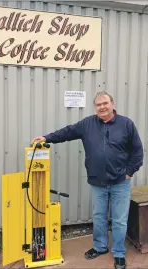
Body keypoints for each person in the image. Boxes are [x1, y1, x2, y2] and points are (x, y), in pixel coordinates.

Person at [31, 91, 143, 269]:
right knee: (99, 217)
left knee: (120, 220)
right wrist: (46, 138)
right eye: (98, 105)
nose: (102, 107)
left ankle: (119, 253)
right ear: (95, 108)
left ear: (112, 104)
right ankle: (99, 247)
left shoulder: (126, 124)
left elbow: (138, 151)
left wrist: (129, 172)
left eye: (105, 103)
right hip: (97, 181)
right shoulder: (88, 124)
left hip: (120, 182)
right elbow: (67, 132)